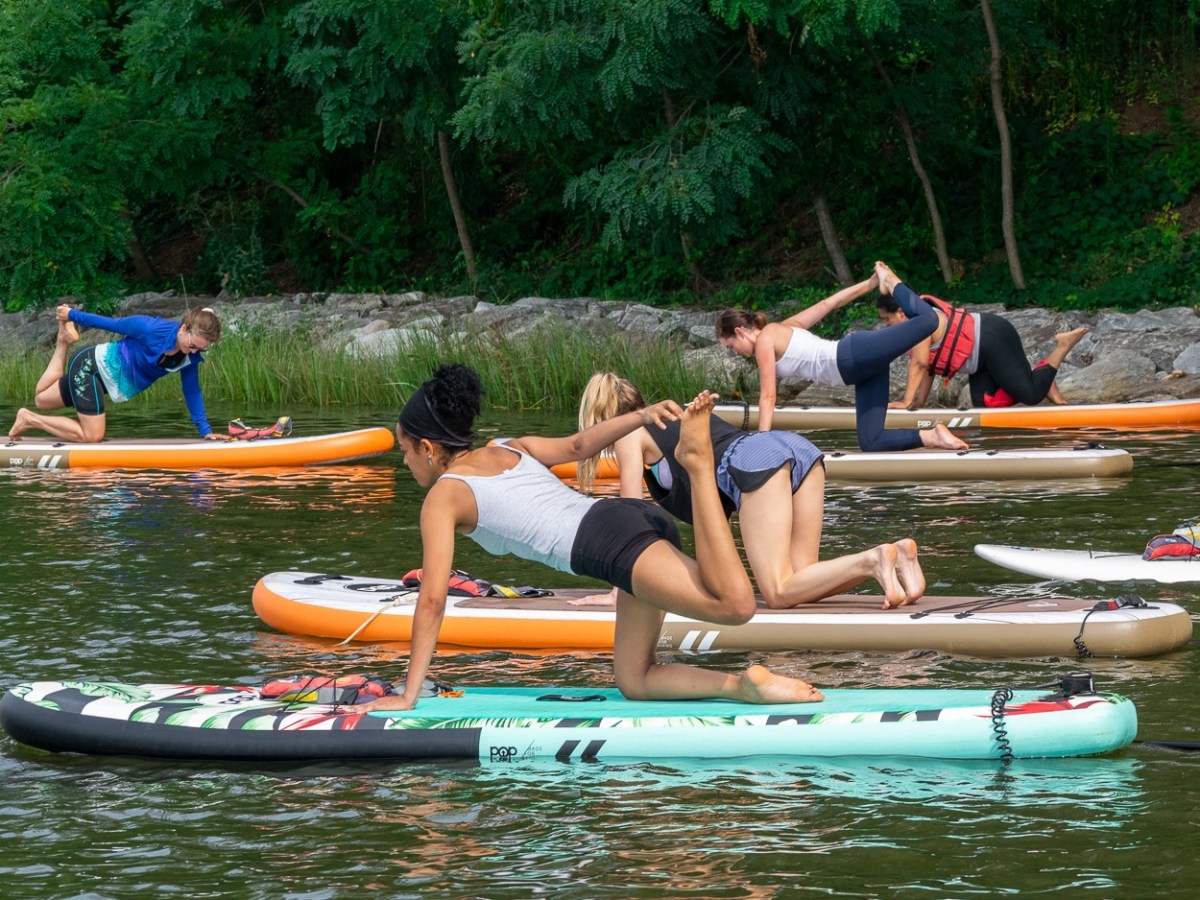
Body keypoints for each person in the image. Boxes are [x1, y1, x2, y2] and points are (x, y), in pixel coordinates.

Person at [357, 363, 824, 712]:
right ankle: (742, 686)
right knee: (635, 679)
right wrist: (639, 416)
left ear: (428, 448)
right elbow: (580, 446)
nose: (405, 463)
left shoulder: (444, 496)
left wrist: (408, 694)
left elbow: (433, 599)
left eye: (404, 450)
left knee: (736, 606)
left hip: (607, 540)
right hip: (626, 519)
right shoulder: (506, 447)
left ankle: (699, 464)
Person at [577, 372, 924, 610]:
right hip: (794, 447)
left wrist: (620, 592)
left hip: (753, 460)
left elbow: (630, 516)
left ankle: (873, 558)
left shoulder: (628, 433)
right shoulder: (677, 414)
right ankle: (894, 556)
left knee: (776, 592)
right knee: (801, 582)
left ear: (600, 418)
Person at [715, 262, 967, 452]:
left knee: (929, 320)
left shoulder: (766, 339)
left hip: (853, 356)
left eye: (730, 345)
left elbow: (768, 396)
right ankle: (933, 436)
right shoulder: (784, 328)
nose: (734, 352)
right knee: (871, 441)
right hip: (862, 371)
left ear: (739, 332)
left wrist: (763, 440)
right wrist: (868, 284)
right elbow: (829, 303)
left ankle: (893, 283)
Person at [7, 304, 225, 443]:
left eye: (200, 349)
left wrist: (205, 430)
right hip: (90, 367)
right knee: (92, 436)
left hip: (100, 382)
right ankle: (29, 419)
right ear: (184, 328)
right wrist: (72, 314)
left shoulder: (189, 357)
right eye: (193, 344)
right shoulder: (149, 328)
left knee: (42, 399)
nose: (194, 351)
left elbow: (192, 391)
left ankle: (62, 342)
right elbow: (111, 324)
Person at [876, 290, 1087, 410]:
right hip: (980, 359)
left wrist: (905, 401)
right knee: (986, 405)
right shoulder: (913, 326)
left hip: (992, 338)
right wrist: (919, 402)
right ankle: (1040, 378)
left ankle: (1061, 347)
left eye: (887, 319)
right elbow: (930, 366)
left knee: (1031, 395)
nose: (885, 324)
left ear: (901, 312)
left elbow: (920, 364)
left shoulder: (919, 322)